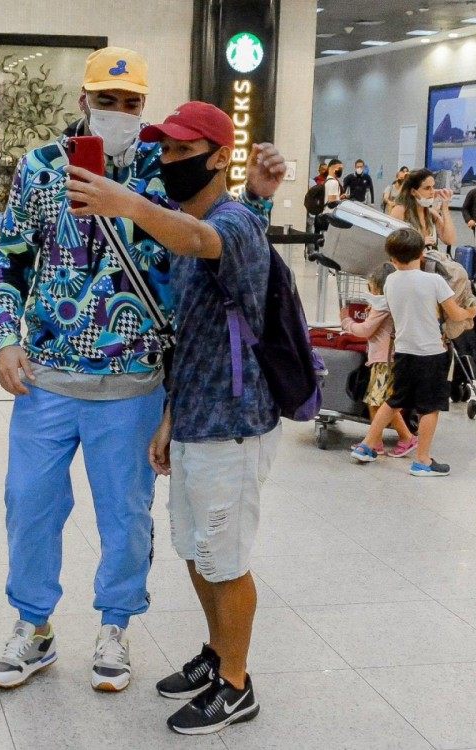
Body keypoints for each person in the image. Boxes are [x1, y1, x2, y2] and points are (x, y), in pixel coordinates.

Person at [0, 47, 285, 694]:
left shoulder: (163, 165)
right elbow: (10, 259)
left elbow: (226, 244)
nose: (118, 113)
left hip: (134, 380)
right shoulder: (41, 168)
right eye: (107, 100)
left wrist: (258, 197)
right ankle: (33, 626)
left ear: (144, 107)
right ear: (83, 101)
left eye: (131, 103)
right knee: (28, 503)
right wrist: (5, 339)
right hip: (47, 375)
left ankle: (116, 627)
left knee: (125, 514)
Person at [67, 100, 285, 735]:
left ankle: (237, 685)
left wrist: (125, 203)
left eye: (181, 153)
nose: (166, 163)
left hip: (233, 425)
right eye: (162, 151)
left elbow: (205, 240)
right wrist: (168, 417)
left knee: (226, 558)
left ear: (219, 157)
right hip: (193, 418)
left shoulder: (229, 223)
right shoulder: (198, 219)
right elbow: (188, 334)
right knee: (195, 550)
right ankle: (216, 656)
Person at [351, 228, 476, 477]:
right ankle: (423, 460)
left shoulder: (390, 281)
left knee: (395, 400)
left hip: (404, 351)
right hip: (431, 353)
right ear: (422, 253)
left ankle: (366, 446)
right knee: (430, 407)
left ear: (391, 258)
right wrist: (469, 314)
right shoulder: (434, 281)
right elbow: (453, 313)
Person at [339, 264, 416, 457]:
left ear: (379, 287)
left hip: (384, 361)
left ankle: (406, 438)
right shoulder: (394, 302)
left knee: (381, 402)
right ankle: (375, 441)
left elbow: (365, 330)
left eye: (371, 286)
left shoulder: (381, 306)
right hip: (389, 358)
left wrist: (346, 322)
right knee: (376, 401)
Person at [389, 169, 456, 249]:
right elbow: (392, 245)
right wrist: (420, 242)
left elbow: (449, 240)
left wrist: (445, 208)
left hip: (430, 259)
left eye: (433, 187)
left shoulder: (431, 213)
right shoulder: (400, 210)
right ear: (413, 191)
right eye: (427, 188)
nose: (432, 192)